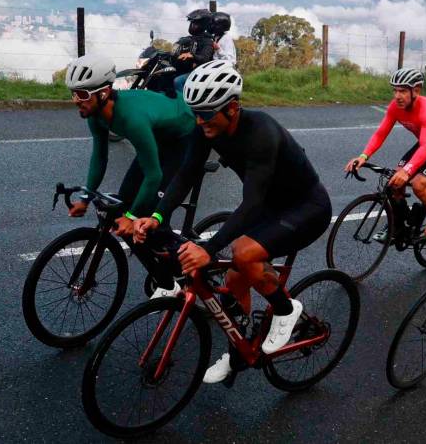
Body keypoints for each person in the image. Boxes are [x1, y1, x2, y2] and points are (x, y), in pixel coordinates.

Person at [133, 60, 332, 384]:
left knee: (242, 253)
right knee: (234, 282)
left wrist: (209, 248)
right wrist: (158, 215)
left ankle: (285, 310)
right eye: (195, 112)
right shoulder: (206, 127)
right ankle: (239, 353)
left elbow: (251, 203)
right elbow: (186, 174)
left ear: (233, 107)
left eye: (207, 113)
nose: (200, 120)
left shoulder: (261, 132)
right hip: (271, 207)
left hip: (307, 207)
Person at [65, 54, 197, 297]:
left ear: (103, 93)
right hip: (158, 135)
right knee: (122, 208)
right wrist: (85, 197)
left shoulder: (131, 119)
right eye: (73, 93)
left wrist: (133, 216)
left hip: (184, 137)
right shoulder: (94, 114)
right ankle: (165, 279)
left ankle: (186, 270)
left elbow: (154, 175)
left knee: (149, 217)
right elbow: (99, 158)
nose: (76, 101)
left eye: (82, 95)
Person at [344, 68, 426, 245]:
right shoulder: (395, 107)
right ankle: (402, 225)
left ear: (416, 91)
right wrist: (363, 156)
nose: (397, 96)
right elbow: (380, 133)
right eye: (395, 90)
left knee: (418, 184)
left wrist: (408, 172)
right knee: (394, 181)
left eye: (402, 91)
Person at [173, 9, 215, 94]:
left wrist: (192, 55)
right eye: (191, 23)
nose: (192, 25)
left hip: (200, 72)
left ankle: (185, 106)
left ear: (203, 25)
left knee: (178, 81)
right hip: (188, 70)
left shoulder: (207, 41)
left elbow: (205, 58)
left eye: (195, 23)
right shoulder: (190, 39)